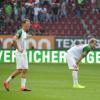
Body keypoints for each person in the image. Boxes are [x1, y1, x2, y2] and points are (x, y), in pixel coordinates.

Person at [4, 19, 32, 91]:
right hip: (20, 53)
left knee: (25, 69)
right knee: (19, 70)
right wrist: (18, 49)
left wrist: (28, 36)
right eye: (27, 24)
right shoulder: (20, 31)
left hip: (24, 53)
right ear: (23, 24)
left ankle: (23, 87)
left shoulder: (24, 32)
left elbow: (23, 38)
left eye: (29, 24)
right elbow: (13, 39)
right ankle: (6, 82)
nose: (29, 26)